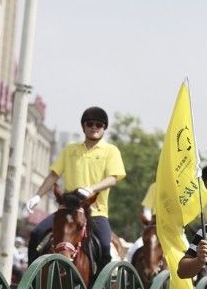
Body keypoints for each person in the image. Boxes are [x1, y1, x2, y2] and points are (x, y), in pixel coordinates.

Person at [26, 106, 125, 270]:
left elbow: (112, 179)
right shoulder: (70, 150)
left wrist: (92, 189)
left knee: (105, 249)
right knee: (36, 234)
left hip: (96, 212)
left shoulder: (111, 151)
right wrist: (37, 196)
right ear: (83, 126)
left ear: (104, 128)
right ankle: (30, 281)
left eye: (99, 125)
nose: (94, 127)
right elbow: (53, 175)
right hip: (67, 209)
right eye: (90, 124)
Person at [125, 181, 156, 263]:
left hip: (174, 231)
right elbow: (147, 209)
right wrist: (150, 223)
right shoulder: (155, 186)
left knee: (188, 253)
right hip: (155, 227)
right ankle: (130, 275)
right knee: (131, 252)